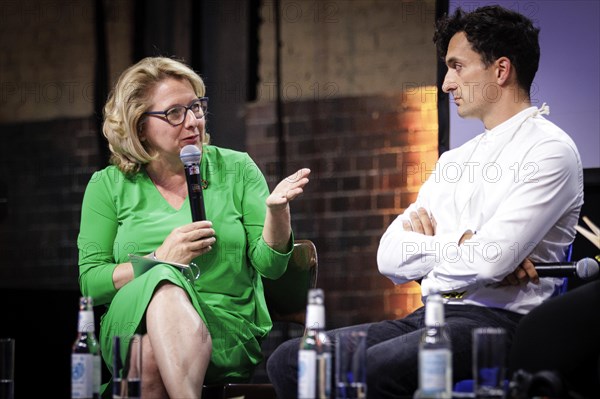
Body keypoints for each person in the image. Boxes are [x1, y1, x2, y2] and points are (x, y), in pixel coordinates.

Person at [266, 5, 583, 398]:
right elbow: (389, 256)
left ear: (501, 71)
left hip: (498, 322)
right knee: (288, 359)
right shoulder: (454, 160)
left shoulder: (549, 150)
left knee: (380, 365)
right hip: (430, 315)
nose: (447, 83)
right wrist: (463, 246)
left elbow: (490, 260)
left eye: (457, 67)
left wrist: (437, 258)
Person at [77, 56, 310, 398]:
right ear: (140, 125)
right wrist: (157, 261)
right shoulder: (107, 186)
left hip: (222, 328)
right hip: (130, 322)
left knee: (147, 357)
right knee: (162, 280)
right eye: (175, 113)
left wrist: (277, 214)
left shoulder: (237, 168)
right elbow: (90, 284)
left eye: (196, 107)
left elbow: (271, 267)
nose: (193, 122)